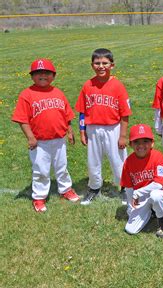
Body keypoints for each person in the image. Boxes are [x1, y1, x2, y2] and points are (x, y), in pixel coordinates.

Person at [12, 58, 80, 212]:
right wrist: (30, 137)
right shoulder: (27, 94)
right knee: (41, 170)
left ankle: (66, 189)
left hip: (59, 139)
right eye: (38, 73)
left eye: (47, 73)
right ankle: (39, 196)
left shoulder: (58, 93)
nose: (43, 75)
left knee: (62, 167)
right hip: (39, 142)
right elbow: (22, 120)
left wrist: (69, 131)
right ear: (32, 76)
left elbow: (67, 115)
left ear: (53, 76)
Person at [75, 48, 132, 206]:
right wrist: (82, 131)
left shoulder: (118, 86)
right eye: (97, 63)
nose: (101, 66)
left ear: (112, 65)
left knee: (118, 160)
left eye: (105, 63)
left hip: (113, 128)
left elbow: (125, 114)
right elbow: (82, 111)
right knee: (93, 161)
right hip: (92, 128)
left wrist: (123, 135)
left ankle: (125, 188)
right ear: (92, 65)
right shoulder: (88, 85)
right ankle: (94, 188)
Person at [120, 124, 163, 235]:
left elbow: (159, 184)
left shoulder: (157, 156)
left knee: (156, 196)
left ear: (152, 143)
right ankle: (151, 212)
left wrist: (138, 192)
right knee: (130, 229)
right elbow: (128, 186)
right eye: (136, 142)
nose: (141, 145)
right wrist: (130, 204)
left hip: (158, 193)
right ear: (131, 144)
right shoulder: (128, 162)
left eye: (145, 141)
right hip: (140, 197)